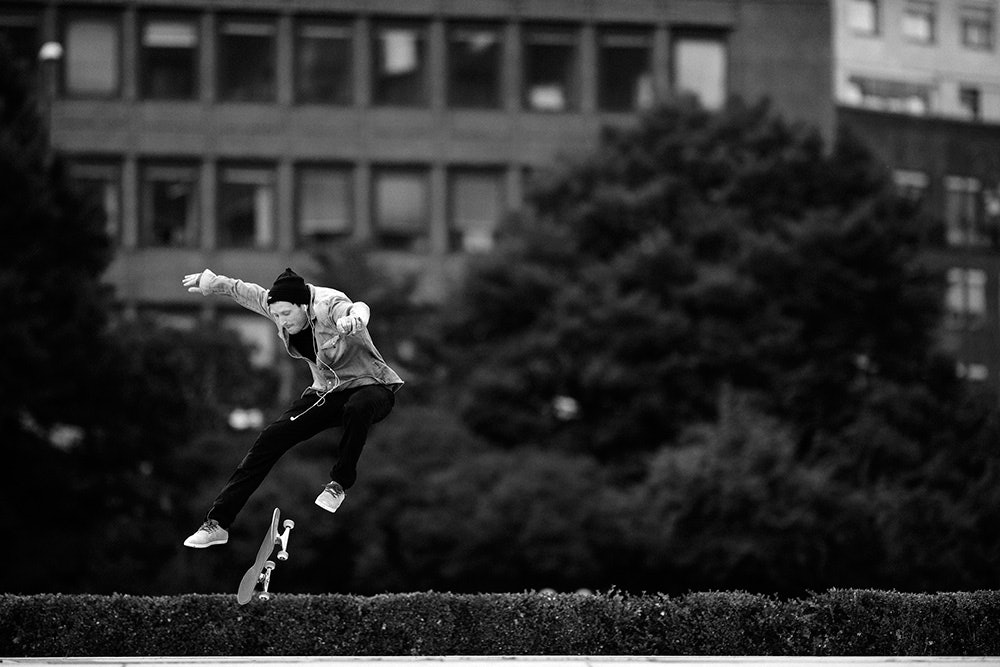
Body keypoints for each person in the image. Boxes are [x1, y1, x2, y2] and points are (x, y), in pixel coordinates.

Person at [180, 267, 403, 548]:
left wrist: (356, 319)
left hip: (372, 387)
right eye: (276, 316)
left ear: (303, 306)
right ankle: (217, 523)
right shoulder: (279, 306)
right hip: (327, 392)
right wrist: (214, 283)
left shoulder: (327, 305)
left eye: (286, 315)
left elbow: (358, 307)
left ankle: (338, 485)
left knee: (357, 408)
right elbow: (248, 292)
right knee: (270, 439)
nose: (281, 322)